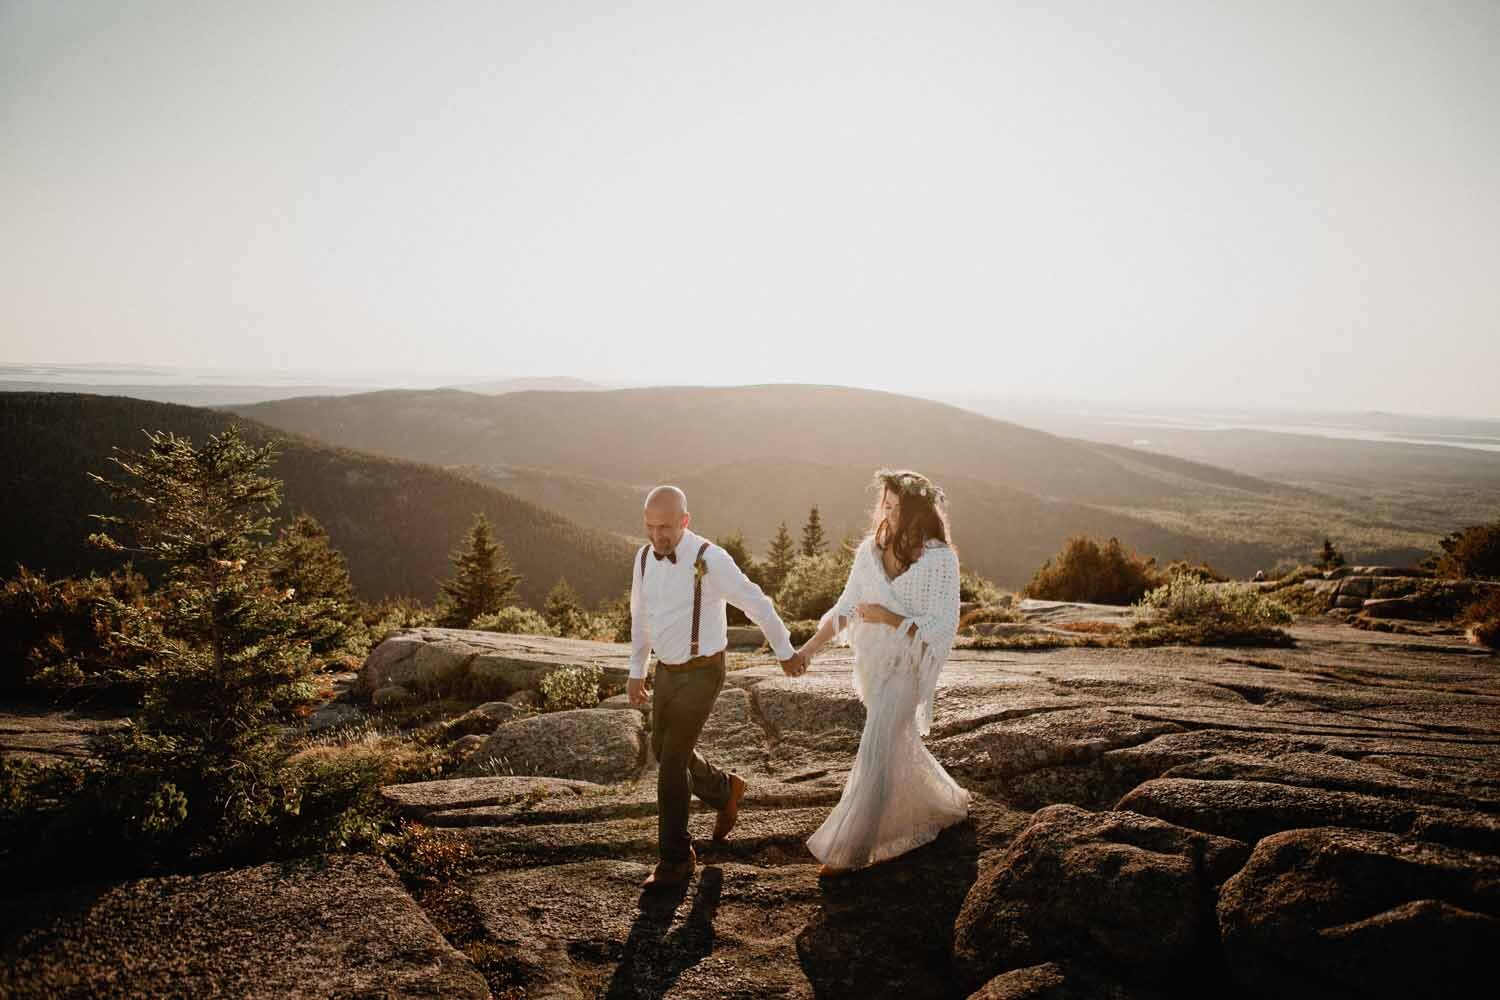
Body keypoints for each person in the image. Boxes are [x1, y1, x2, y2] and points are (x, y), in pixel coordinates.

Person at [628, 485, 806, 890]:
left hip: (705, 671)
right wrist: (637, 669)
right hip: (667, 671)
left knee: (671, 761)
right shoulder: (642, 559)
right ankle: (726, 790)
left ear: (685, 522)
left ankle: (675, 859)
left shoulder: (710, 558)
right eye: (651, 528)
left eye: (667, 528)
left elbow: (756, 601)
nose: (658, 537)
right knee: (661, 748)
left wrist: (783, 649)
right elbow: (640, 618)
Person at [796, 468, 971, 877]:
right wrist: (806, 651)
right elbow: (844, 608)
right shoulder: (869, 553)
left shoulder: (939, 560)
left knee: (876, 745)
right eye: (884, 505)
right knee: (895, 742)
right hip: (875, 666)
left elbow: (942, 624)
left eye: (895, 507)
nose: (886, 513)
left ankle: (850, 849)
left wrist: (887, 616)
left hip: (909, 668)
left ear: (915, 511)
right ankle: (940, 802)